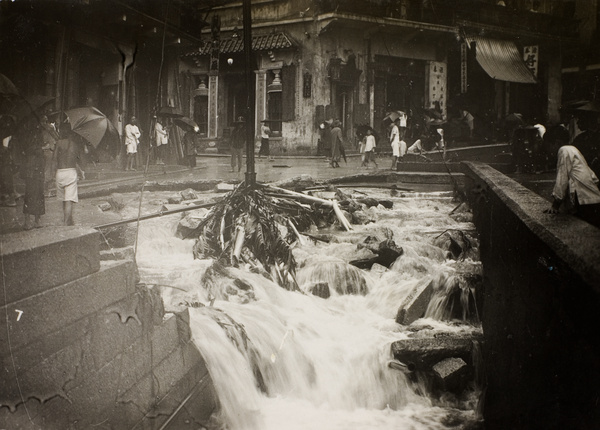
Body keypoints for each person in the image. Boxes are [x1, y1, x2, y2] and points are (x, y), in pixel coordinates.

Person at [544, 127, 600, 228]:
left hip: (584, 200)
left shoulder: (563, 150)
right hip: (592, 197)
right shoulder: (573, 150)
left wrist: (555, 205)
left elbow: (562, 178)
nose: (548, 150)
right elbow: (593, 177)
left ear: (556, 142)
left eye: (548, 146)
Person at [54, 123, 85, 226]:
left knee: (64, 199)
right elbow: (79, 160)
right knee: (69, 200)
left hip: (60, 173)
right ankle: (67, 223)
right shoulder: (75, 144)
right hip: (71, 172)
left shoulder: (58, 143)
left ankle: (68, 219)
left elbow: (54, 159)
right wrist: (81, 171)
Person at [20, 118, 45, 229]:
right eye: (42, 120)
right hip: (32, 170)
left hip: (38, 169)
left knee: (38, 194)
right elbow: (30, 149)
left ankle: (36, 220)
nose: (44, 123)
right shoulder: (30, 135)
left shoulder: (39, 134)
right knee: (31, 194)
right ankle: (28, 221)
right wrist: (43, 147)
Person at [40, 114, 59, 196]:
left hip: (49, 151)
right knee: (48, 171)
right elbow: (56, 138)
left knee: (48, 170)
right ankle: (45, 190)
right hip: (48, 151)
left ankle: (46, 190)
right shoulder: (47, 130)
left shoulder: (46, 130)